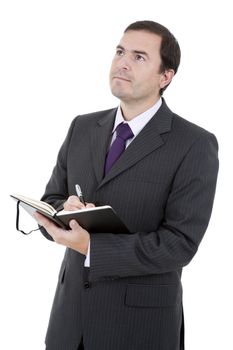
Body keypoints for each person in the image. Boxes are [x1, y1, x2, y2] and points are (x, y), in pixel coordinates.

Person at [34, 20, 219, 350]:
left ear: (166, 76)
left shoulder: (194, 144)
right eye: (120, 51)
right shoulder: (82, 127)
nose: (122, 62)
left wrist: (90, 246)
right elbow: (53, 197)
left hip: (139, 328)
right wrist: (63, 212)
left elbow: (180, 244)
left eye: (139, 57)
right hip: (69, 322)